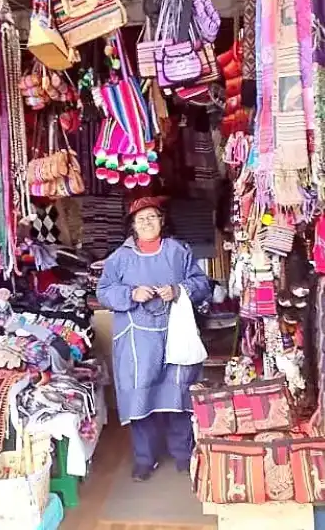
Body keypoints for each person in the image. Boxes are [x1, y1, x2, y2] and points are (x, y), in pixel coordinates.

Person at [97, 196, 212, 481]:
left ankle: (184, 455)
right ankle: (144, 460)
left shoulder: (178, 251)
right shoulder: (119, 258)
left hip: (176, 333)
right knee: (140, 397)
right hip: (137, 340)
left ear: (162, 221)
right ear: (133, 226)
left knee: (178, 394)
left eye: (152, 217)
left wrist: (178, 289)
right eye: (141, 219)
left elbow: (201, 284)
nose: (147, 223)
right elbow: (104, 291)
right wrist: (129, 294)